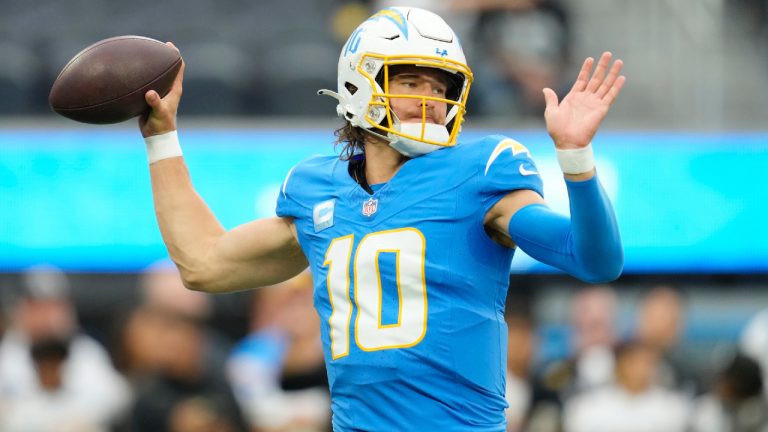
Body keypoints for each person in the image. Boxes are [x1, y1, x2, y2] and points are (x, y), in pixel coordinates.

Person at [137, 6, 624, 431]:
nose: (431, 100)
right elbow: (203, 263)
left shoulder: (477, 175)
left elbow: (593, 260)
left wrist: (576, 156)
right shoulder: (316, 192)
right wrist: (162, 137)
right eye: (411, 81)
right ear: (359, 83)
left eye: (441, 86)